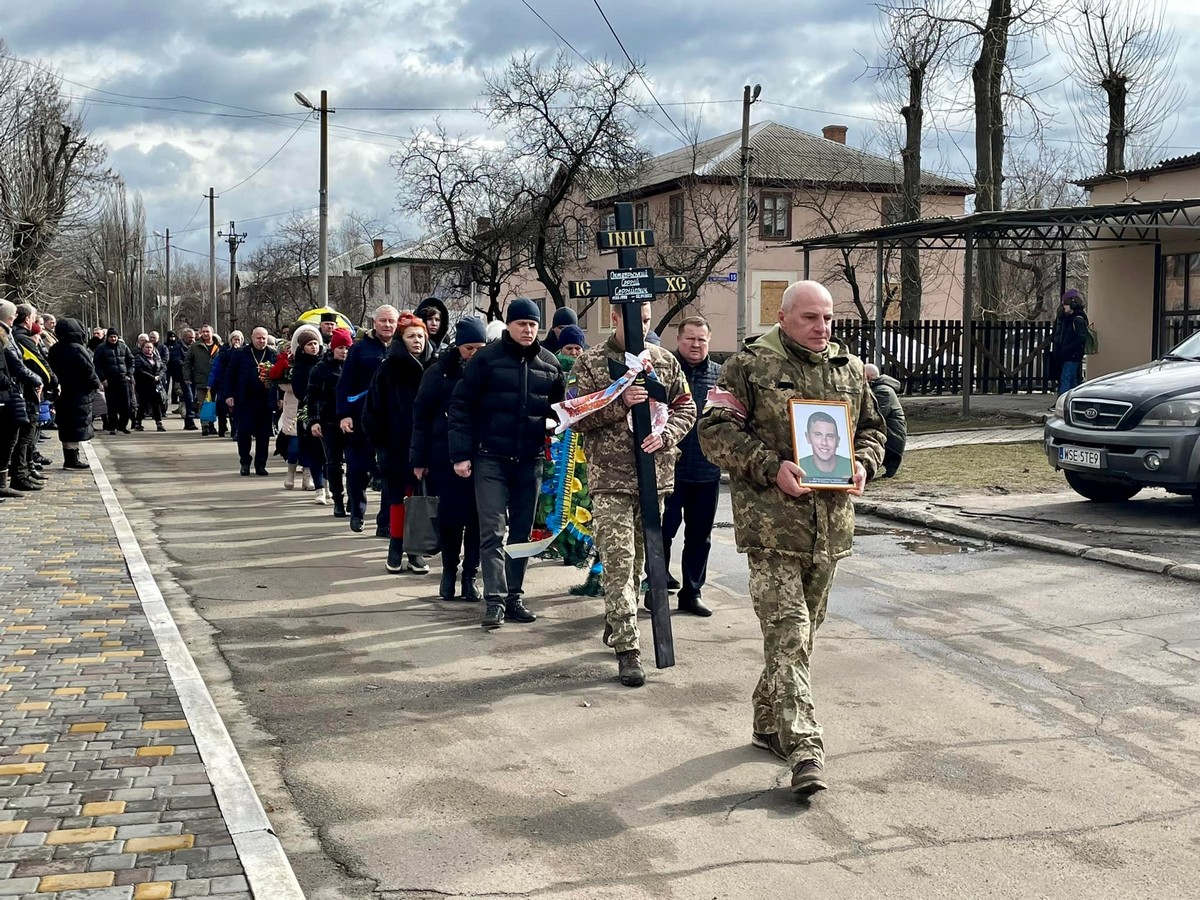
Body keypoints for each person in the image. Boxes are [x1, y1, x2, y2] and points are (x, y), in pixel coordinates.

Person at [698, 279, 886, 799]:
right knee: (789, 637)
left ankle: (766, 725)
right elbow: (713, 431)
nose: (822, 328)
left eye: (828, 318)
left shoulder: (847, 370)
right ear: (782, 318)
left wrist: (865, 463)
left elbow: (874, 428)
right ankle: (805, 746)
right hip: (773, 529)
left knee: (800, 641)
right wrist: (767, 466)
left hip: (830, 531)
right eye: (809, 318)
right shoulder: (748, 366)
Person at [571, 301, 696, 687]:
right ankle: (629, 649)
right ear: (613, 318)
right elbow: (576, 415)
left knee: (642, 562)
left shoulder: (662, 361)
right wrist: (617, 403)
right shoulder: (591, 363)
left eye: (645, 320)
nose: (641, 328)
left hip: (653, 478)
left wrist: (668, 435)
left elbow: (686, 406)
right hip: (610, 478)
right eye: (633, 320)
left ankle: (617, 617)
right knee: (619, 562)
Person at [448, 298, 565, 630]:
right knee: (492, 531)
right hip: (490, 459)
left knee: (523, 533)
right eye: (521, 324)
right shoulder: (486, 360)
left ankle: (514, 595)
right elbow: (461, 407)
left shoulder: (549, 363)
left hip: (529, 461)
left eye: (532, 324)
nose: (527, 330)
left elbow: (559, 411)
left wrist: (558, 430)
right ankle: (495, 600)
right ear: (509, 326)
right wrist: (460, 455)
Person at [411, 317, 487, 601]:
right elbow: (420, 418)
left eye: (481, 348)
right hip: (443, 457)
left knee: (478, 520)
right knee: (451, 519)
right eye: (469, 348)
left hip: (482, 456)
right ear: (458, 346)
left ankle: (470, 576)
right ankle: (448, 573)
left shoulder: (489, 370)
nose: (475, 354)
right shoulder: (437, 373)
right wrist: (418, 459)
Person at [661, 315, 721, 618]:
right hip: (670, 470)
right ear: (679, 340)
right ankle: (656, 589)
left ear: (709, 341)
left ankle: (692, 593)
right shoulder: (666, 373)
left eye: (702, 339)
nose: (696, 344)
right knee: (662, 533)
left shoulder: (721, 377)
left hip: (707, 472)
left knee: (699, 537)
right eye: (690, 339)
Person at [364, 313, 430, 574]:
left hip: (425, 446)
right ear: (401, 339)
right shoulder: (388, 368)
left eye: (421, 336)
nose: (417, 341)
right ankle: (395, 545)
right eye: (411, 336)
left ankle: (415, 551)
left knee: (421, 498)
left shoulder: (434, 367)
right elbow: (372, 411)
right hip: (396, 446)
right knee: (397, 498)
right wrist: (381, 444)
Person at [337, 305, 397, 534]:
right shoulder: (360, 349)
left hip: (389, 422)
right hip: (360, 418)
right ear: (374, 322)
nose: (387, 325)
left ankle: (385, 522)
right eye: (383, 321)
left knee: (389, 472)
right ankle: (357, 510)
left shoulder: (401, 348)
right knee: (357, 470)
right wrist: (343, 415)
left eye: (391, 321)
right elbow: (344, 384)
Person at [306, 327, 353, 517]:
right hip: (329, 421)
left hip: (352, 422)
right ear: (333, 348)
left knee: (356, 464)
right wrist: (314, 421)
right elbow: (313, 397)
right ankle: (338, 499)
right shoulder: (321, 368)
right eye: (341, 347)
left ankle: (353, 496)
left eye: (347, 347)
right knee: (333, 462)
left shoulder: (353, 367)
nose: (344, 351)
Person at [0, 300, 45, 495]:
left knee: (15, 437)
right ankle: (16, 476)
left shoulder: (9, 335)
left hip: (13, 390)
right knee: (12, 439)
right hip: (11, 392)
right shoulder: (8, 337)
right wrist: (38, 379)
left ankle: (13, 477)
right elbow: (17, 365)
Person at [46, 318, 101, 469]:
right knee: (76, 425)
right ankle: (72, 459)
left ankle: (70, 457)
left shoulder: (55, 349)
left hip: (62, 392)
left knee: (66, 425)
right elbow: (89, 371)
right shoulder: (78, 349)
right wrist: (96, 385)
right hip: (78, 392)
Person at [225, 327, 278, 476]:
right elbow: (230, 376)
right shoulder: (240, 354)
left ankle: (260, 464)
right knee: (244, 432)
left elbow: (279, 378)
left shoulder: (272, 354)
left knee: (263, 435)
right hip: (244, 400)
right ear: (252, 338)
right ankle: (245, 462)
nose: (261, 341)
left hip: (265, 401)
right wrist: (228, 395)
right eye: (258, 338)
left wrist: (278, 398)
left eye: (264, 338)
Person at [863, 363, 907, 478]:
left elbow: (875, 415)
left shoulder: (883, 391)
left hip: (892, 435)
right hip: (890, 432)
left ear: (867, 378)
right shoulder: (880, 388)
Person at [93, 328, 134, 435]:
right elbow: (97, 365)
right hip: (109, 381)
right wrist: (102, 378)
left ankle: (123, 425)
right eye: (111, 337)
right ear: (108, 337)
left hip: (123, 379)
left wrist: (129, 374)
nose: (113, 338)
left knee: (126, 404)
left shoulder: (123, 347)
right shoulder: (101, 348)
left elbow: (131, 360)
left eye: (115, 336)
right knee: (112, 405)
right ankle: (113, 426)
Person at [796, 411, 854, 483]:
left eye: (830, 436)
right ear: (808, 438)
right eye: (818, 435)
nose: (824, 443)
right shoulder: (798, 466)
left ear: (838, 441)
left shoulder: (851, 467)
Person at [1053, 289, 1089, 395]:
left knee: (1066, 377)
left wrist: (1070, 348)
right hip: (1070, 354)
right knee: (1072, 379)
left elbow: (1082, 337)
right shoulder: (1068, 318)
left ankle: (1062, 400)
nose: (1063, 307)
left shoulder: (1077, 319)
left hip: (1072, 354)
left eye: (1065, 305)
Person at [184, 324, 219, 433]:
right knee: (203, 403)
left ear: (212, 333)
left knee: (213, 403)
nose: (205, 334)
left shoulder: (218, 346)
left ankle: (212, 425)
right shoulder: (195, 346)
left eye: (207, 331)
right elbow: (187, 363)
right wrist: (187, 376)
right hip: (201, 379)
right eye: (203, 332)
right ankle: (205, 426)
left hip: (216, 381)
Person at [207, 330, 243, 439]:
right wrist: (210, 383)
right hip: (223, 383)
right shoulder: (223, 352)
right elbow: (215, 368)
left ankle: (235, 431)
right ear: (230, 340)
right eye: (234, 339)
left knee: (236, 409)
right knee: (222, 408)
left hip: (239, 384)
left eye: (238, 339)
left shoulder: (244, 352)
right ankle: (222, 429)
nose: (236, 342)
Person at [132, 339, 166, 431]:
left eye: (150, 347)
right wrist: (152, 377)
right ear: (142, 348)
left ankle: (159, 422)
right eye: (146, 347)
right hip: (143, 385)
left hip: (155, 385)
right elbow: (139, 370)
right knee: (143, 404)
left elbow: (162, 367)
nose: (149, 349)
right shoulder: (138, 358)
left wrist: (159, 376)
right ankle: (138, 422)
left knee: (156, 404)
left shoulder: (156, 357)